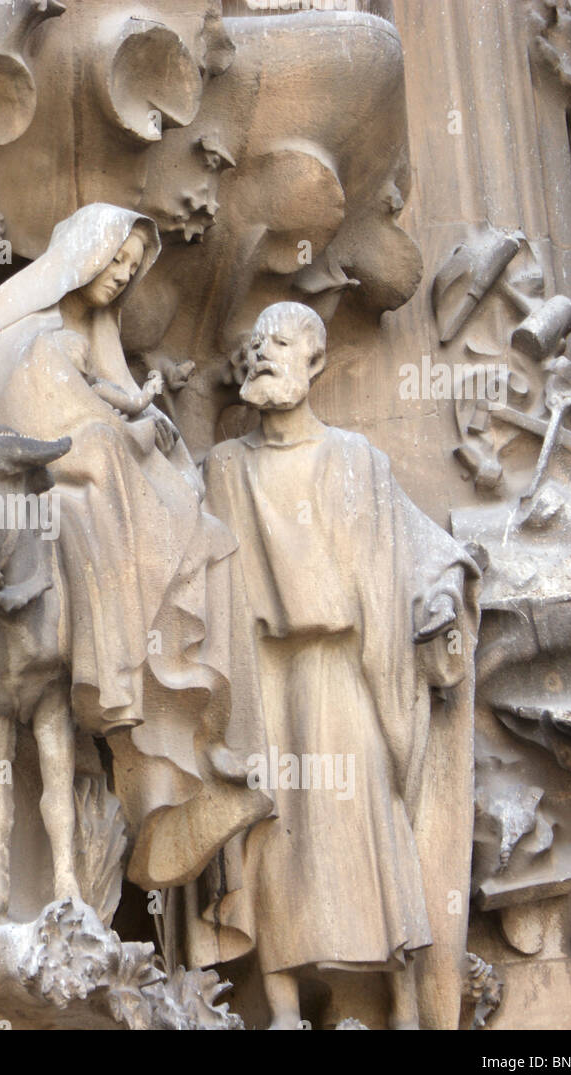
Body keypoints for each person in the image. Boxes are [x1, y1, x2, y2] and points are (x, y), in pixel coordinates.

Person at [0, 203, 267, 890]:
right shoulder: (30, 337)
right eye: (114, 260)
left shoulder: (91, 336)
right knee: (110, 491)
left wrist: (147, 424)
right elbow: (55, 427)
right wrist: (124, 435)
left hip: (100, 478)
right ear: (83, 254)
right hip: (48, 485)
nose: (121, 277)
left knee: (205, 533)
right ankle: (123, 661)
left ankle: (192, 714)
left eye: (131, 269)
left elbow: (113, 405)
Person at [203, 302, 479, 1028]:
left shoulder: (359, 460)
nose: (264, 352)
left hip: (345, 674)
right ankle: (284, 1011)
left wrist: (441, 600)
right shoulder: (224, 468)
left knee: (362, 825)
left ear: (315, 363)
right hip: (260, 679)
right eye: (256, 341)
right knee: (269, 833)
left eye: (283, 342)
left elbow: (430, 554)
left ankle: (404, 1005)